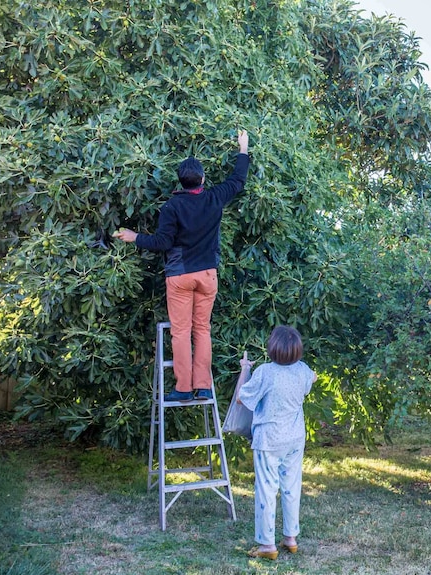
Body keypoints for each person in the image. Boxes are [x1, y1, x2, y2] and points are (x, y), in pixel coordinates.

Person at [114, 130, 249, 401]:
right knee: (202, 329)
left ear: (181, 181)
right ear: (201, 179)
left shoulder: (172, 206)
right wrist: (243, 148)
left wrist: (134, 237)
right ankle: (203, 386)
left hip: (180, 276)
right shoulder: (214, 198)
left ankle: (183, 389)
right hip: (207, 274)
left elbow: (162, 242)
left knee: (181, 331)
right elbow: (237, 180)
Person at [238, 325, 316, 560]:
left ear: (272, 348)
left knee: (266, 490)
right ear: (297, 350)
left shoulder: (265, 372)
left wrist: (245, 370)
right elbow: (312, 378)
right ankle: (291, 538)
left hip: (268, 439)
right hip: (294, 438)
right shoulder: (303, 370)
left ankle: (267, 545)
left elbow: (243, 398)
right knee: (292, 487)